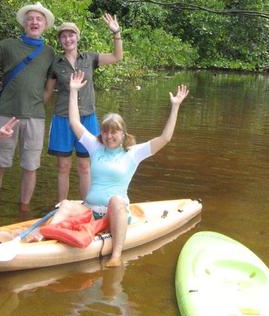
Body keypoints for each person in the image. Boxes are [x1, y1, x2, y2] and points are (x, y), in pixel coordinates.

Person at [50, 71, 189, 267]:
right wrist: (73, 91)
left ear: (123, 134)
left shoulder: (133, 153)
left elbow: (164, 138)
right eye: (106, 131)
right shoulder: (95, 146)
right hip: (90, 210)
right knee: (65, 204)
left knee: (115, 200)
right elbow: (74, 122)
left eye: (114, 131)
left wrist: (175, 106)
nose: (109, 136)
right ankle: (44, 238)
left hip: (115, 213)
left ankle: (116, 255)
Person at [0, 2, 55, 210]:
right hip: (6, 115)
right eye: (31, 18)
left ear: (45, 25)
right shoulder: (8, 45)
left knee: (31, 166)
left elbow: (49, 87)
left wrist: (34, 106)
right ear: (24, 23)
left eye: (39, 19)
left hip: (35, 117)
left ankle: (24, 210)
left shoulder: (50, 53)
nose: (34, 22)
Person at [44, 14, 123, 202]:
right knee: (63, 167)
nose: (67, 39)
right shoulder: (56, 63)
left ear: (77, 37)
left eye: (71, 35)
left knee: (85, 166)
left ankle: (87, 205)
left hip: (87, 118)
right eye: (63, 36)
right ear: (60, 41)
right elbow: (47, 91)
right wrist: (35, 112)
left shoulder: (90, 58)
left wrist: (116, 33)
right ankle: (61, 205)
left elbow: (117, 56)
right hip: (63, 119)